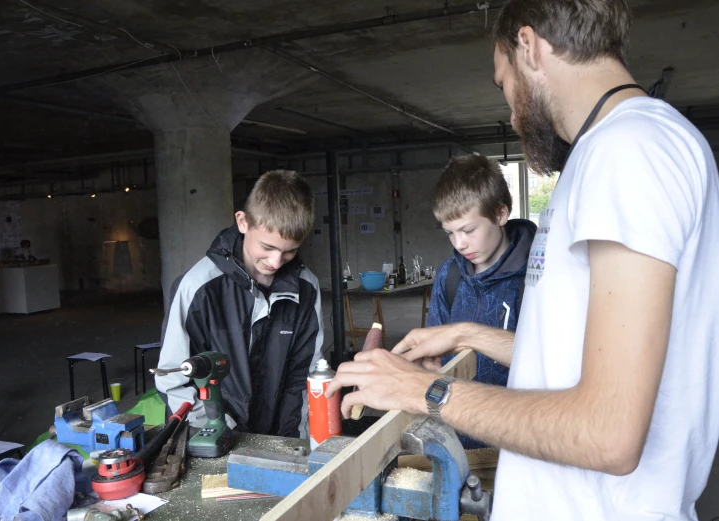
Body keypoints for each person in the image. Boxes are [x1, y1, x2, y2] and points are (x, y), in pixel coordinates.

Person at [325, 1, 719, 520]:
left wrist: (422, 389)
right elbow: (573, 357)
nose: (510, 112)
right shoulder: (612, 151)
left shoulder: (629, 149)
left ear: (530, 47)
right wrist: (465, 334)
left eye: (503, 83)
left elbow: (608, 433)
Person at [156, 170, 324, 438]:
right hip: (212, 437)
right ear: (243, 221)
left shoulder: (306, 287)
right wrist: (220, 433)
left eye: (289, 250)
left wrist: (301, 443)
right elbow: (174, 379)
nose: (276, 261)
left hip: (282, 437)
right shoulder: (198, 287)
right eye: (267, 247)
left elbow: (307, 375)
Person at [426, 154, 536, 449]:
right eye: (450, 232)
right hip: (454, 436)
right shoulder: (449, 277)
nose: (459, 244)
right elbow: (433, 351)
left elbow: (549, 362)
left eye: (468, 230)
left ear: (500, 214)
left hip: (516, 440)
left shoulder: (536, 279)